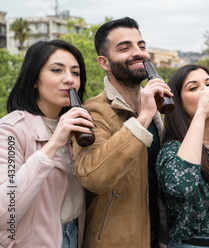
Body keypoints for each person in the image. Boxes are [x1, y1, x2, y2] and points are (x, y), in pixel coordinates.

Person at [73, 17, 172, 247]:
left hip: (158, 239)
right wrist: (143, 117)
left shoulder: (157, 108)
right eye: (125, 48)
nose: (138, 53)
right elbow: (94, 177)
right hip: (115, 241)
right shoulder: (93, 111)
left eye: (142, 46)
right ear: (104, 62)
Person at [0, 40, 92, 247]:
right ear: (34, 79)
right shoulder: (10, 130)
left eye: (75, 73)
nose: (69, 80)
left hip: (74, 234)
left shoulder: (77, 126)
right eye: (57, 70)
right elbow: (5, 211)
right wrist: (52, 145)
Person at [155, 64, 209, 247]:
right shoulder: (172, 150)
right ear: (177, 102)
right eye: (194, 88)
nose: (205, 92)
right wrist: (201, 113)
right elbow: (182, 185)